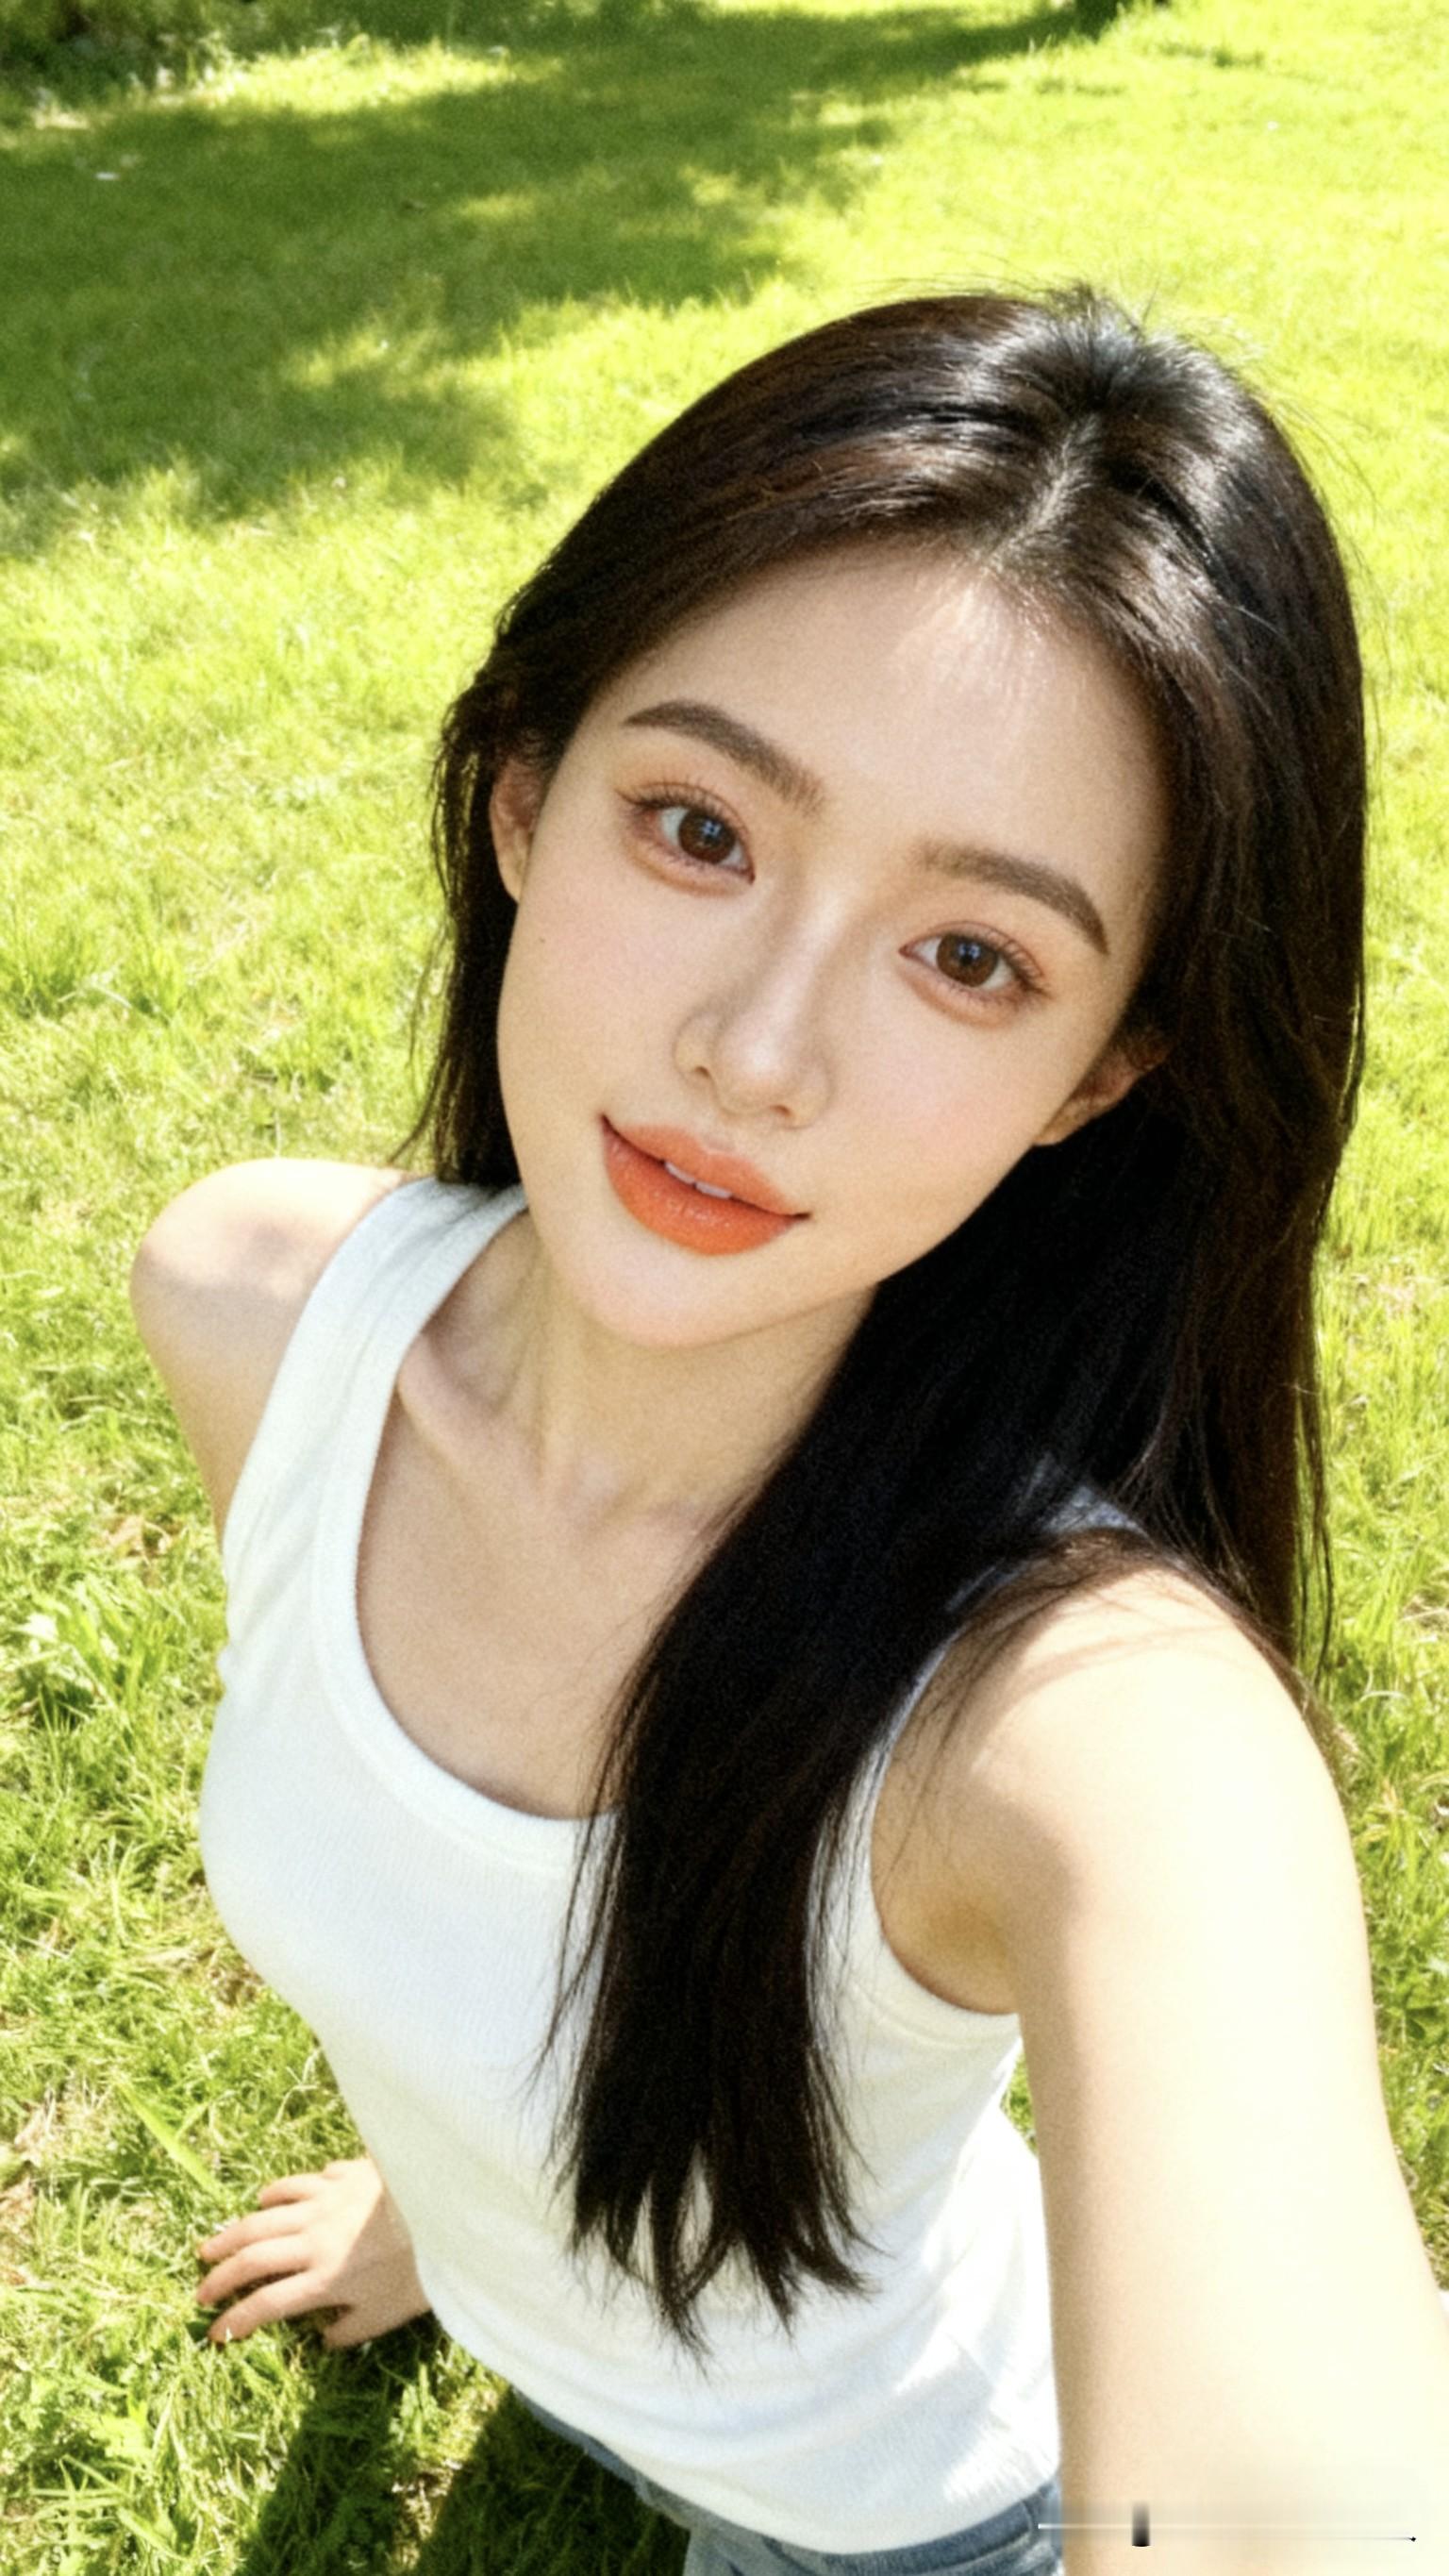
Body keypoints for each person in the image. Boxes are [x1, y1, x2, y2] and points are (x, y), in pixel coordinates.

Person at [128, 289, 1449, 2575]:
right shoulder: (254, 1313)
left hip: (911, 2516)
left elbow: (1290, 2505)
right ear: (524, 798)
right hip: (565, 2347)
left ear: (1099, 1075)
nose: (757, 1054)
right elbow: (450, 1933)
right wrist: (452, 2214)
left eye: (973, 958)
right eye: (698, 827)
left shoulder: (1084, 1726)